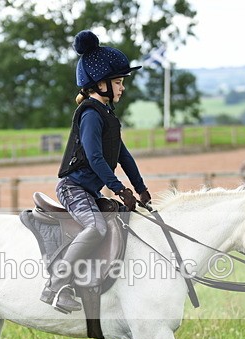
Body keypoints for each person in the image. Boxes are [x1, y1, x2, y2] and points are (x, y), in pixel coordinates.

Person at [41, 30, 151, 313]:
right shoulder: (90, 114)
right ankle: (55, 285)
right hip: (73, 189)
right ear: (100, 84)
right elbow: (95, 157)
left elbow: (123, 155)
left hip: (89, 191)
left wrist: (140, 188)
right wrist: (119, 188)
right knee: (96, 227)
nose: (122, 88)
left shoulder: (107, 115)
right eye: (118, 82)